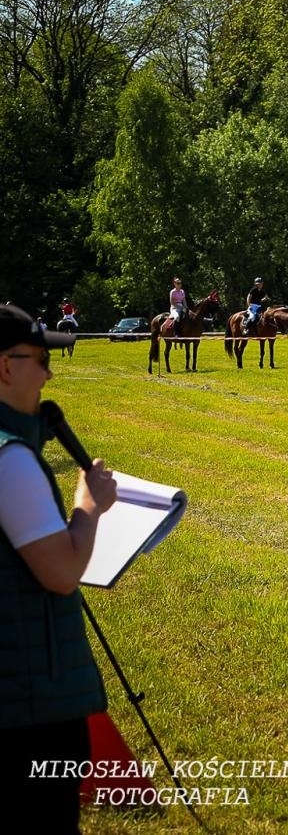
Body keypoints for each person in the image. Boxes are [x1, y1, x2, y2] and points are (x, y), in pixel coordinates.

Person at [0, 304, 116, 830]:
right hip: (29, 706)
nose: (48, 372)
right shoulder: (10, 462)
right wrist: (88, 505)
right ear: (5, 366)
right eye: (41, 358)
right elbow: (62, 572)